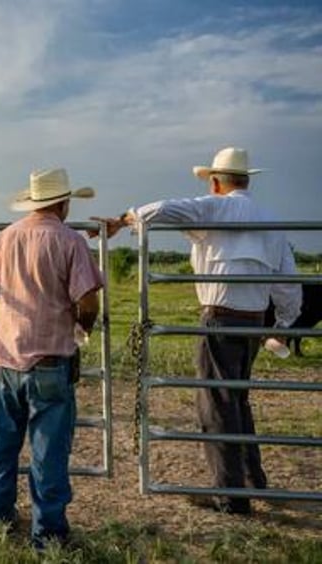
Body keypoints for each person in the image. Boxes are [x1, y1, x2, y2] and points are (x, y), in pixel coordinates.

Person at [93, 147, 302, 514]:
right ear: (246, 180)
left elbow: (160, 209)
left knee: (217, 405)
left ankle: (230, 496)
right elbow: (288, 283)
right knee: (237, 398)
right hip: (255, 321)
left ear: (216, 182)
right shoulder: (270, 221)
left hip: (220, 318)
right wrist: (283, 325)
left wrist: (124, 220)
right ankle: (253, 481)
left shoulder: (213, 207)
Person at [0, 168, 104, 550]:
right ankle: (47, 536)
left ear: (33, 202)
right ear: (63, 203)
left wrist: (13, 290)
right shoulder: (70, 241)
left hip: (6, 358)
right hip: (49, 359)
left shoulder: (7, 236)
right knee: (48, 452)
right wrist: (83, 329)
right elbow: (88, 300)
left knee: (4, 445)